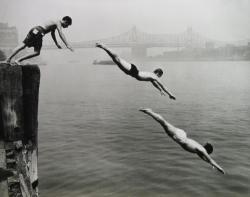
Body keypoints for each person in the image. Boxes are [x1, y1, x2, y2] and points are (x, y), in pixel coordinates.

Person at [139, 108, 225, 174]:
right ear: (207, 151)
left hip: (181, 135)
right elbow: (210, 160)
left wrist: (211, 165)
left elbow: (205, 159)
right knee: (163, 123)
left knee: (164, 124)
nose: (207, 155)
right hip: (180, 137)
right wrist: (219, 168)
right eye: (208, 154)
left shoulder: (199, 151)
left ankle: (150, 112)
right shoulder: (202, 150)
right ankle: (149, 112)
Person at [96, 43, 176, 100]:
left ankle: (104, 48)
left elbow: (155, 84)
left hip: (131, 72)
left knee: (116, 60)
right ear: (158, 73)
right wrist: (170, 94)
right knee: (117, 58)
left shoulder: (152, 77)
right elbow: (163, 86)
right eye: (160, 76)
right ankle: (104, 47)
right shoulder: (154, 76)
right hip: (133, 71)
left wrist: (160, 90)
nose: (159, 78)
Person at [6, 16, 74, 65]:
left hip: (34, 29)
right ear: (65, 21)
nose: (67, 27)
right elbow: (60, 33)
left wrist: (56, 44)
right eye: (67, 25)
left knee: (23, 45)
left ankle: (8, 59)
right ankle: (18, 60)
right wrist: (67, 44)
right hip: (40, 32)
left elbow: (53, 34)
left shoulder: (54, 22)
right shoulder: (58, 22)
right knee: (37, 52)